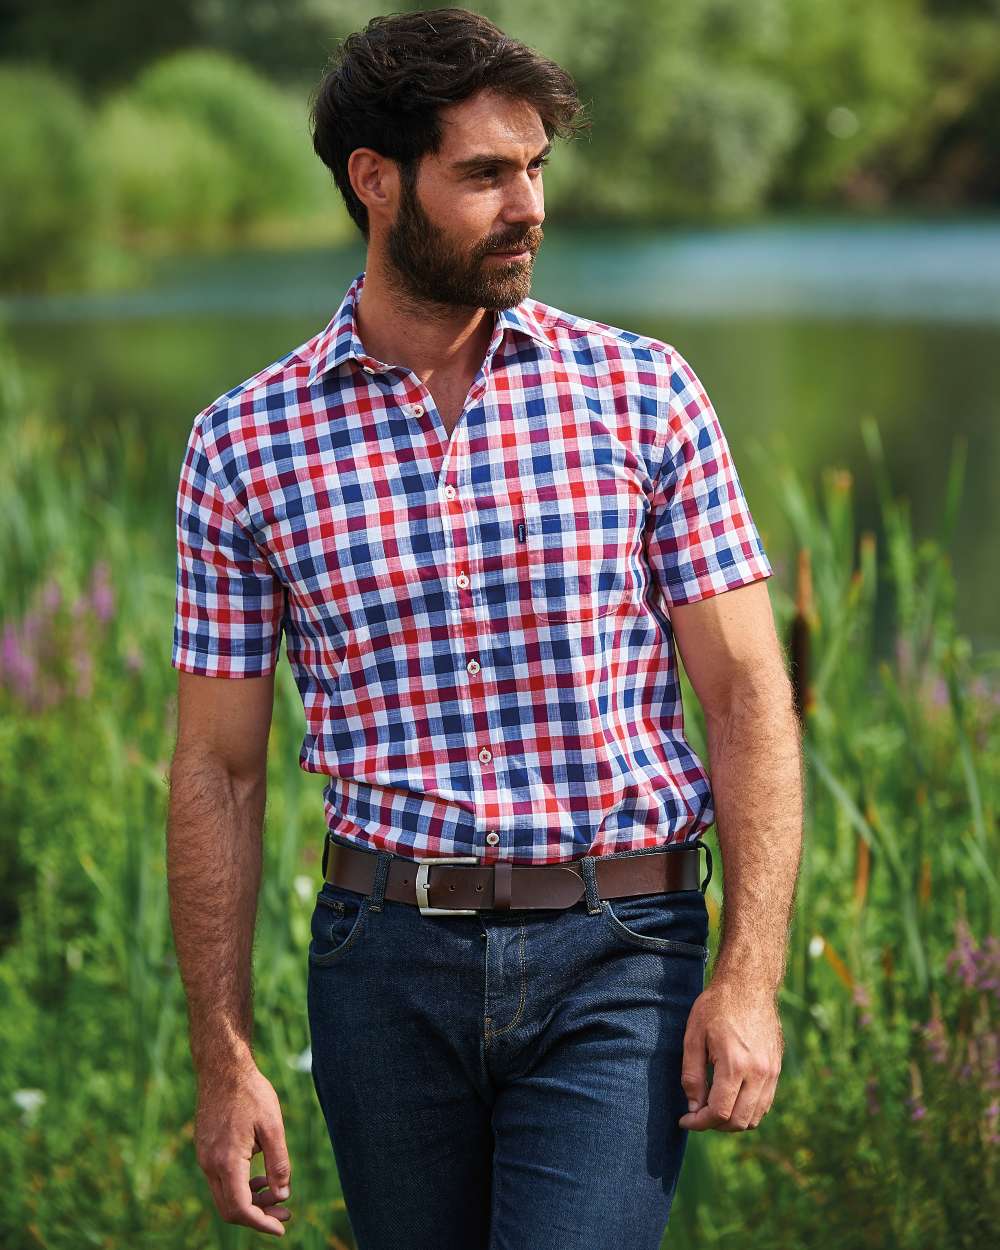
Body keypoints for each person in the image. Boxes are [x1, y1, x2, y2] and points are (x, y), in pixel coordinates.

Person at [165, 7, 803, 1248]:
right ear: (375, 182)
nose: (529, 206)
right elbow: (218, 768)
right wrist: (223, 1056)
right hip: (382, 963)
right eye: (485, 174)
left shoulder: (641, 392)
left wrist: (749, 974)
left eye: (535, 169)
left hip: (619, 949)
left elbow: (745, 694)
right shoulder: (242, 446)